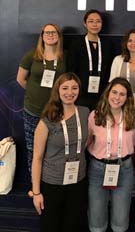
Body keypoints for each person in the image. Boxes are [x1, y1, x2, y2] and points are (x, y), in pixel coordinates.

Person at [31, 73, 89, 232]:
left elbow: (87, 141)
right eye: (65, 88)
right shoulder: (47, 119)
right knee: (51, 226)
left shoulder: (85, 113)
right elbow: (37, 158)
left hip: (78, 181)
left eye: (74, 88)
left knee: (72, 225)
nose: (70, 92)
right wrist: (36, 193)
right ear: (58, 90)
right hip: (52, 183)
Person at [87, 77, 135, 232]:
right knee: (96, 220)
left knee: (120, 222)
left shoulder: (133, 118)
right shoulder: (94, 116)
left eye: (122, 94)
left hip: (124, 169)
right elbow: (88, 141)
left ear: (127, 98)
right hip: (98, 169)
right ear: (107, 93)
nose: (117, 97)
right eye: (114, 92)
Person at [16, 23, 66, 174]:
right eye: (47, 32)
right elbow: (21, 79)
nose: (50, 35)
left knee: (54, 149)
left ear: (58, 35)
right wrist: (34, 92)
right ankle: (35, 184)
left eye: (54, 32)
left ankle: (50, 181)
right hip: (33, 111)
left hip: (55, 111)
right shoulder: (32, 55)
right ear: (42, 36)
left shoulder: (64, 57)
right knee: (33, 149)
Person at [67, 9, 113, 110]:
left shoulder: (107, 45)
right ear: (85, 23)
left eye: (98, 21)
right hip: (81, 96)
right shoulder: (77, 44)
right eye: (91, 21)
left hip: (102, 96)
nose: (95, 24)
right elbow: (71, 71)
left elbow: (110, 70)